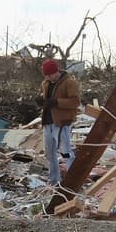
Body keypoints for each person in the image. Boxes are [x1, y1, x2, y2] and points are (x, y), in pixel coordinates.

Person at [39, 58, 80, 188]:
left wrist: (57, 102)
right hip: (47, 122)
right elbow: (45, 98)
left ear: (55, 71)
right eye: (45, 75)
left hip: (61, 123)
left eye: (49, 74)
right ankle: (54, 179)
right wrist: (40, 100)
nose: (48, 77)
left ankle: (74, 181)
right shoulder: (45, 83)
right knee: (50, 154)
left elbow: (75, 102)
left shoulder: (69, 83)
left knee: (65, 152)